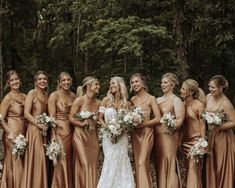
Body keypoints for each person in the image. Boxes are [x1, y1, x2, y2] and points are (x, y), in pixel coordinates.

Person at [97, 76, 135, 188]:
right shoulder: (106, 100)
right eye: (110, 84)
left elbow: (129, 122)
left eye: (113, 83)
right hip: (108, 137)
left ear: (120, 85)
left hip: (122, 137)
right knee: (110, 160)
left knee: (122, 160)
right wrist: (109, 129)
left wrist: (121, 130)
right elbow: (99, 118)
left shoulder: (127, 104)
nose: (111, 86)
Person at [130, 73, 161, 188]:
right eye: (132, 82)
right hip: (135, 135)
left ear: (143, 83)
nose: (134, 84)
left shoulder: (151, 98)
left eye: (137, 81)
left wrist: (143, 124)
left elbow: (158, 118)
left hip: (147, 133)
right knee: (138, 165)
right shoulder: (132, 100)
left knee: (142, 162)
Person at [154, 73, 185, 188]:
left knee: (169, 161)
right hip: (156, 138)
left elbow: (180, 120)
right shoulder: (157, 100)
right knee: (159, 163)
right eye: (162, 82)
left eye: (165, 82)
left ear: (172, 84)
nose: (162, 84)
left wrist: (171, 126)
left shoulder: (176, 100)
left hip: (169, 137)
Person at [69, 76, 100, 188]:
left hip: (93, 137)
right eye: (96, 84)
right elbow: (71, 118)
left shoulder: (98, 103)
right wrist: (81, 124)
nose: (98, 87)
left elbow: (100, 120)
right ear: (89, 86)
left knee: (93, 166)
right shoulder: (79, 100)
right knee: (85, 164)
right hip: (80, 137)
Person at [205, 75, 235, 188]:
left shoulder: (226, 103)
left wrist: (219, 127)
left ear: (221, 88)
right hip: (211, 136)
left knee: (220, 166)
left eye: (213, 87)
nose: (210, 89)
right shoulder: (208, 97)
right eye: (209, 87)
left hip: (224, 139)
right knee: (212, 165)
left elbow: (233, 122)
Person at [21, 71, 49, 188]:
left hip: (45, 131)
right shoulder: (32, 93)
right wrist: (38, 124)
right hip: (34, 130)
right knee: (38, 159)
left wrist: (47, 124)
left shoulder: (48, 95)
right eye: (40, 79)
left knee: (43, 160)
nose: (42, 81)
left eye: (44, 79)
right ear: (36, 82)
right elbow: (26, 113)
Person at [48, 72, 75, 188]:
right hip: (59, 132)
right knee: (60, 162)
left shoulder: (73, 96)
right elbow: (52, 117)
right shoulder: (54, 96)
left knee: (69, 161)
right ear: (59, 82)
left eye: (68, 80)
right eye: (63, 80)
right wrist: (53, 135)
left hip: (72, 132)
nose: (66, 82)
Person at [0, 70, 26, 188]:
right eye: (12, 80)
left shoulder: (25, 96)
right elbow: (0, 118)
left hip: (24, 134)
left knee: (23, 162)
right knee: (14, 164)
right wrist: (9, 132)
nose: (15, 81)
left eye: (16, 79)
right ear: (8, 83)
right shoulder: (7, 98)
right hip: (12, 135)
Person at [180, 79, 206, 188]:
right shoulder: (182, 104)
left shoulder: (199, 105)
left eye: (183, 89)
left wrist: (202, 142)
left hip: (196, 142)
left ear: (190, 92)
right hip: (184, 142)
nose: (180, 90)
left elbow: (202, 125)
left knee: (193, 169)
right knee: (188, 169)